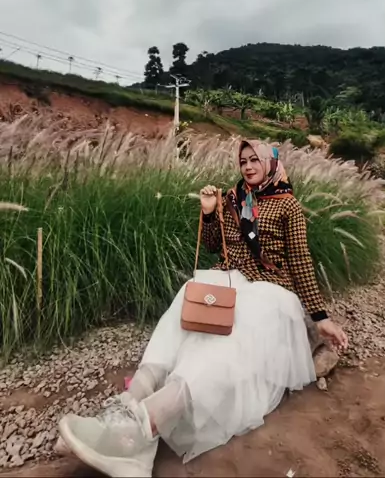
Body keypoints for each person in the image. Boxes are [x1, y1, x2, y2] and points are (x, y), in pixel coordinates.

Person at [58, 140, 348, 478]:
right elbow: (213, 245)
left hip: (269, 288)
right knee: (182, 312)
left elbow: (300, 260)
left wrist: (320, 316)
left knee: (224, 341)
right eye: (243, 161)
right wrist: (210, 212)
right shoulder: (234, 198)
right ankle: (127, 406)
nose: (248, 166)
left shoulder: (287, 205)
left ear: (270, 163)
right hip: (228, 277)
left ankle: (144, 427)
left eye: (255, 160)